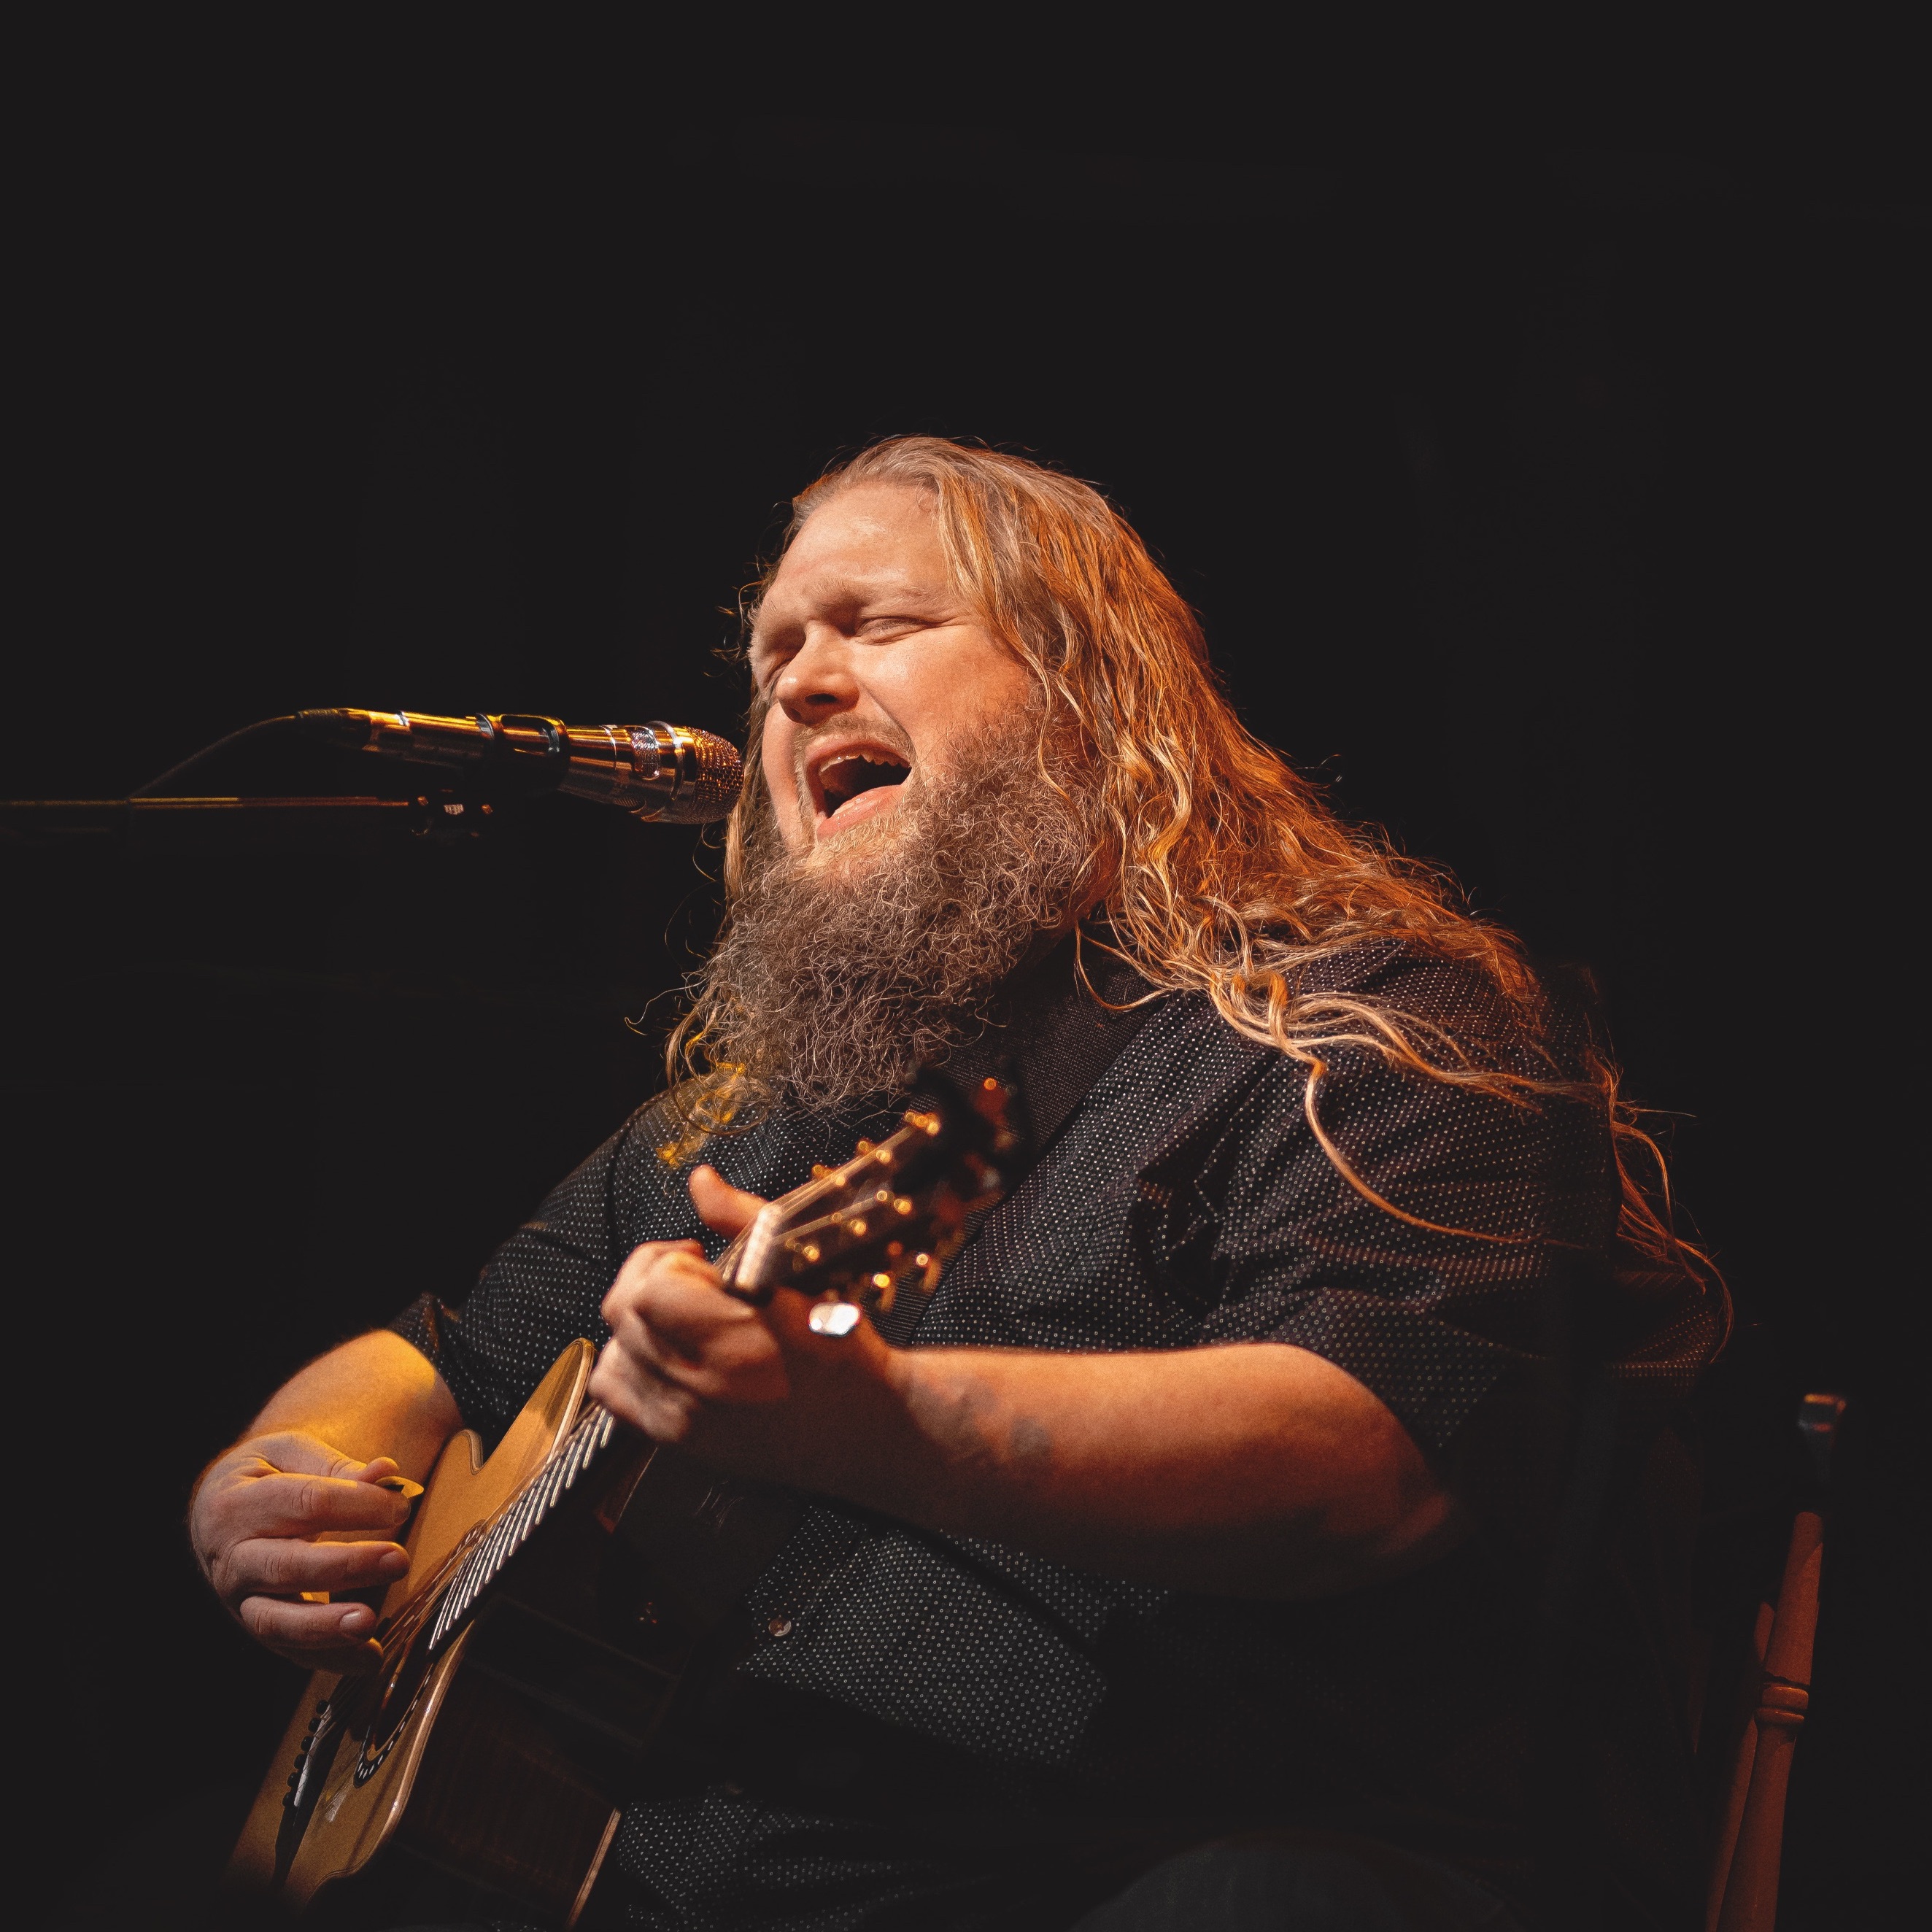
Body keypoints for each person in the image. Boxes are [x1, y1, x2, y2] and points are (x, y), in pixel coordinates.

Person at [190, 438, 1723, 1931]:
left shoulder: (1370, 1034)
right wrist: (272, 1479)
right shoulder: (739, 1129)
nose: (795, 682)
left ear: (1090, 695)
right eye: (776, 650)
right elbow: (437, 1361)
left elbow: (1368, 1457)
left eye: (882, 624)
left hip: (1133, 1865)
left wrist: (882, 1425)